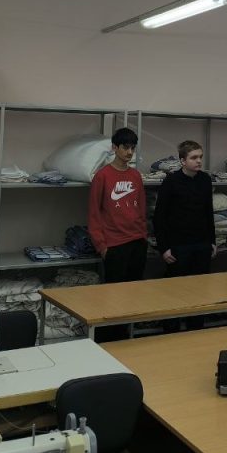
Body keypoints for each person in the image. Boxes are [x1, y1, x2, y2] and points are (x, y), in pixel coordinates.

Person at [89, 128, 147, 341]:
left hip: (137, 243)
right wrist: (102, 246)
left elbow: (141, 209)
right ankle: (108, 342)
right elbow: (94, 213)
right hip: (114, 245)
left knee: (133, 295)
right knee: (112, 298)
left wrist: (143, 236)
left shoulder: (136, 175)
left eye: (133, 148)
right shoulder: (102, 176)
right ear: (115, 147)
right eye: (125, 147)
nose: (129, 152)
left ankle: (126, 340)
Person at [154, 140, 215, 332]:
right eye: (194, 158)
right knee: (175, 293)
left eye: (200, 157)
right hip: (178, 247)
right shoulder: (171, 182)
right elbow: (159, 217)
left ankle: (195, 331)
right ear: (182, 160)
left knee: (200, 293)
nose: (199, 161)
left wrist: (212, 242)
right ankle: (171, 332)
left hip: (201, 245)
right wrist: (164, 248)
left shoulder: (205, 180)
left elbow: (209, 212)